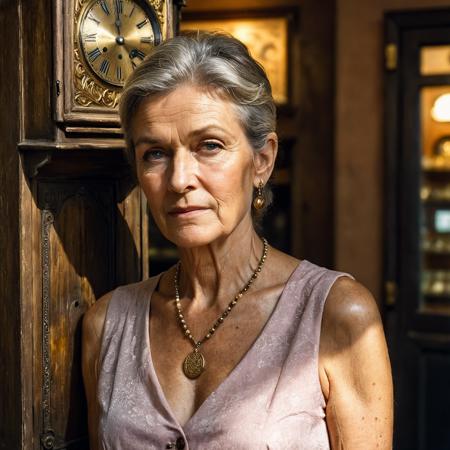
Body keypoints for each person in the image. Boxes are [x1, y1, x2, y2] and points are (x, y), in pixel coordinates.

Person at [82, 31, 393, 450]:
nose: (178, 180)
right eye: (155, 153)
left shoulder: (338, 316)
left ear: (262, 160)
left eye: (208, 146)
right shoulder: (107, 325)